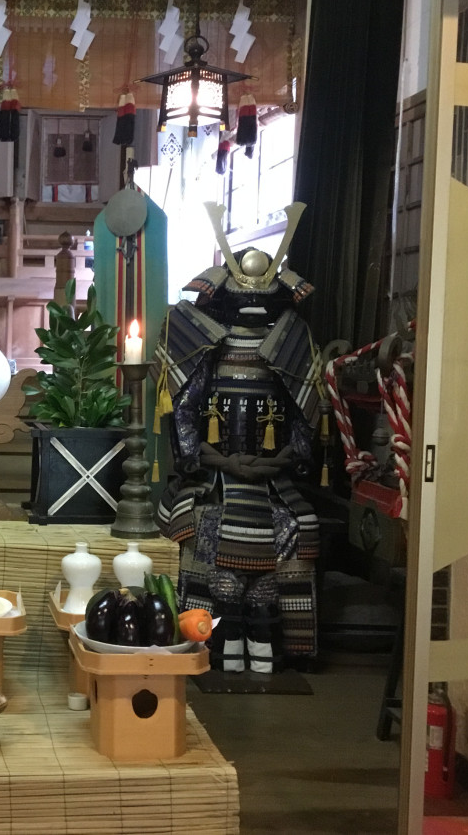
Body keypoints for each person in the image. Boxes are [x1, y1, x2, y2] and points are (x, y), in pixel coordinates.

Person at [156, 202, 321, 673]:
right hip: (213, 477)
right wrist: (213, 459)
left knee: (302, 524)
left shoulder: (293, 341)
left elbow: (303, 414)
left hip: (272, 478)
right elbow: (185, 410)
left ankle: (274, 645)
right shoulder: (207, 343)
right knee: (195, 523)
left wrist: (282, 459)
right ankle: (211, 641)